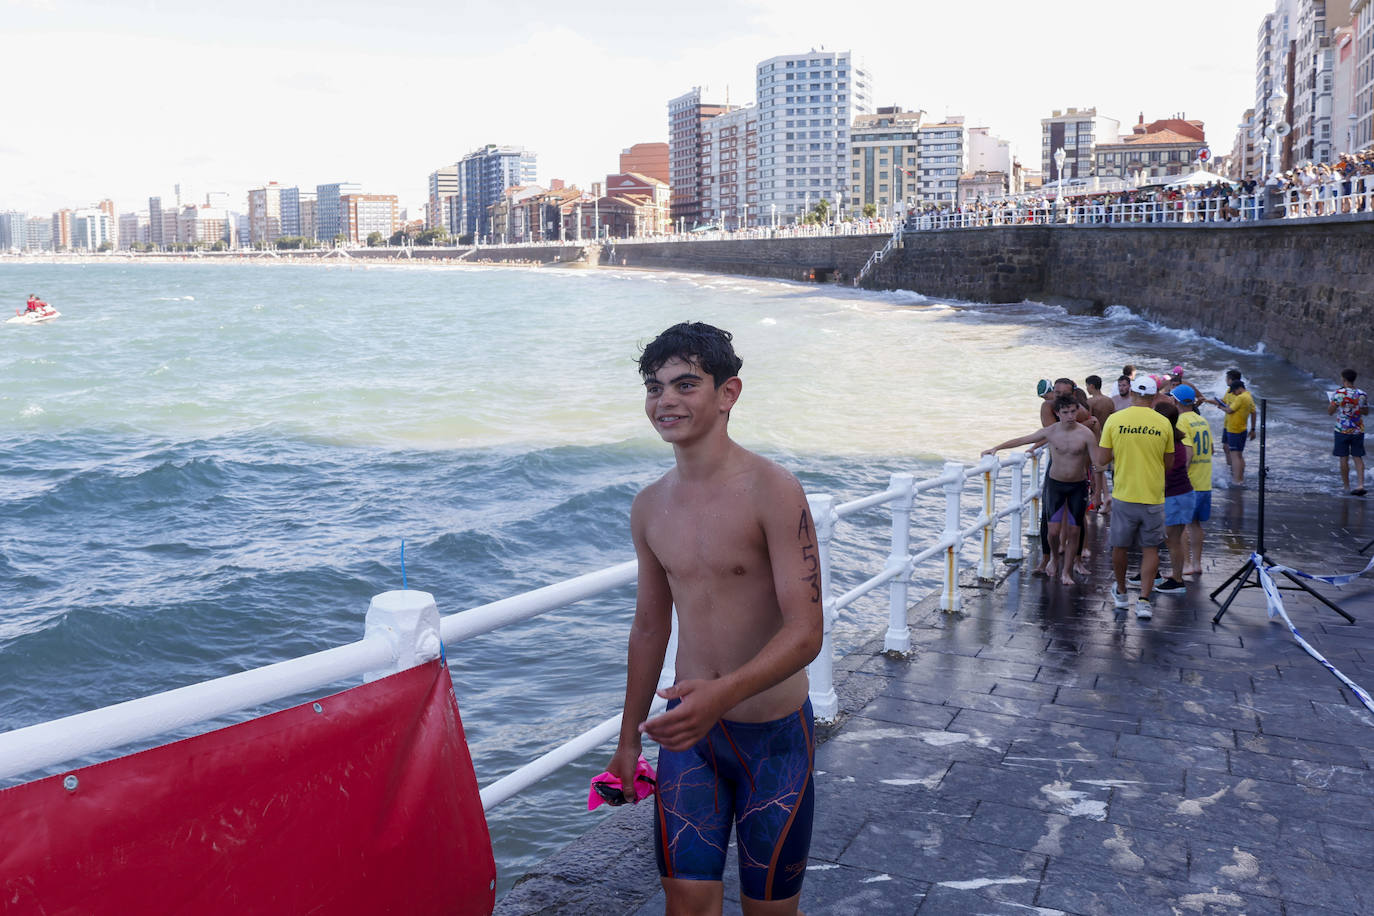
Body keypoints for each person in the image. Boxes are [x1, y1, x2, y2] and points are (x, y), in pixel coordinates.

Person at [608, 322, 823, 915]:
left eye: (685, 384)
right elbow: (650, 628)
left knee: (769, 910)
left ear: (729, 393)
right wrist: (628, 742)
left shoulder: (773, 491)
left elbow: (806, 632)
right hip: (691, 739)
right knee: (687, 906)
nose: (665, 400)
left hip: (774, 738)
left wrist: (722, 694)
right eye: (655, 387)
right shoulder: (650, 505)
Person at [985, 394, 1098, 585]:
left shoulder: (1085, 434)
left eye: (1073, 411)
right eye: (1065, 412)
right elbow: (1023, 439)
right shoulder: (1051, 431)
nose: (1070, 416)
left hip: (1078, 486)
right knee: (1053, 532)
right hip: (1056, 484)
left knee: (1073, 531)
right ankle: (1054, 557)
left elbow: (1096, 463)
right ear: (1057, 413)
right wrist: (996, 448)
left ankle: (1067, 572)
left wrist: (1098, 489)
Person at [1095, 375, 1174, 620]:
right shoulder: (1163, 423)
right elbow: (1168, 464)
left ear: (1132, 394)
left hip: (1124, 494)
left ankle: (1120, 593)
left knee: (1119, 547)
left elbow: (1102, 459)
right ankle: (1144, 601)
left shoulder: (1115, 420)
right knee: (1151, 549)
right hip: (1152, 495)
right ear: (1153, 397)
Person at [1171, 385, 1214, 576]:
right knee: (1196, 524)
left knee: (1181, 526)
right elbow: (1211, 449)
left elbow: (1187, 455)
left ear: (1176, 401)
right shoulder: (1201, 420)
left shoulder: (1181, 422)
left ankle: (1185, 565)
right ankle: (1196, 563)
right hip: (1205, 480)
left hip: (1190, 482)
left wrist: (1179, 478)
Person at [1152, 400, 1193, 592]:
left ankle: (1177, 580)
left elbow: (1162, 473)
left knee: (1173, 539)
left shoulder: (1172, 446)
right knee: (1167, 538)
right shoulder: (1177, 441)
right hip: (1181, 495)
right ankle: (1157, 573)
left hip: (1175, 497)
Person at [1329, 368, 1369, 496]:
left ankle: (1346, 487)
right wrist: (1356, 408)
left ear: (1343, 379)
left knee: (1343, 458)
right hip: (1358, 429)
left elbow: (1330, 411)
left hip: (1342, 430)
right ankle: (1360, 485)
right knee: (1358, 457)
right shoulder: (1362, 394)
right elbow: (1366, 412)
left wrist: (1336, 404)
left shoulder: (1338, 393)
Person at [1214, 370, 1256, 487]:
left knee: (1235, 455)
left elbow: (1229, 410)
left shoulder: (1241, 398)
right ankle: (1239, 477)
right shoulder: (1248, 396)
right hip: (1241, 429)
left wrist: (1221, 407)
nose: (1234, 394)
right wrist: (1253, 429)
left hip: (1234, 430)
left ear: (1239, 388)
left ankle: (1237, 481)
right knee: (1238, 455)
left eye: (1235, 392)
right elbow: (1254, 412)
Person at [1084, 375, 1115, 511]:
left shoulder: (1090, 402)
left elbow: (1090, 420)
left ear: (1091, 386)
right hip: (1108, 437)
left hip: (1095, 437)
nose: (1087, 388)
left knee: (1097, 468)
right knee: (1103, 467)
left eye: (1087, 386)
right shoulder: (1109, 401)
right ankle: (1105, 495)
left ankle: (1101, 496)